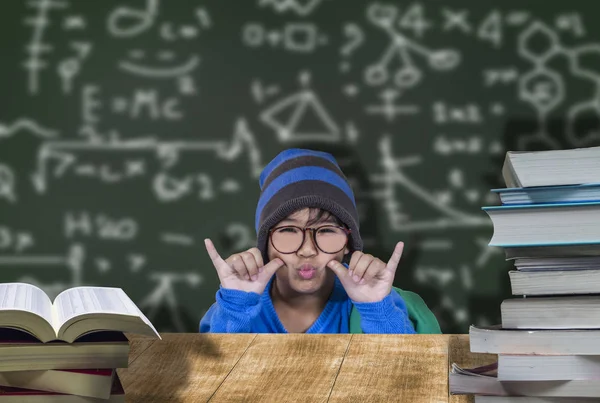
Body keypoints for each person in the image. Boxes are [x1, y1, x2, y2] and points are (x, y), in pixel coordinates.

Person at [199, 148, 440, 334]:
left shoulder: (378, 302)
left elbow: (408, 377)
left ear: (348, 242)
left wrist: (376, 309)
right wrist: (236, 308)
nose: (307, 250)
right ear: (265, 242)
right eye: (289, 230)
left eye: (325, 231)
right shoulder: (234, 304)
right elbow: (209, 380)